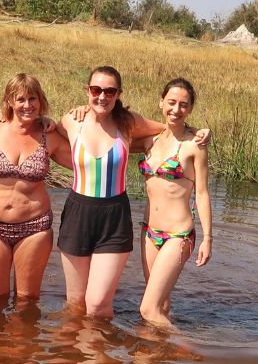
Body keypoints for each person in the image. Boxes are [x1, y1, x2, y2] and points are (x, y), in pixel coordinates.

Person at [55, 66, 209, 319]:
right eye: (96, 90)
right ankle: (77, 354)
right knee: (75, 303)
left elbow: (168, 128)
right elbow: (51, 137)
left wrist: (197, 132)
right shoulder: (72, 120)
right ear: (87, 91)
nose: (102, 96)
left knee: (97, 305)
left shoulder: (128, 122)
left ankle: (102, 354)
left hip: (114, 216)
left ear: (118, 94)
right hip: (77, 213)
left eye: (109, 91)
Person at [0, 73, 72, 300]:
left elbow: (85, 163)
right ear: (9, 101)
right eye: (20, 99)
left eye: (32, 99)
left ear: (40, 101)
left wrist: (70, 122)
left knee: (27, 302)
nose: (27, 105)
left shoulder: (49, 136)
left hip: (35, 228)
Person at [135, 78, 212, 327]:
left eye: (183, 105)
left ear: (190, 109)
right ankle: (155, 362)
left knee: (148, 309)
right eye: (171, 103)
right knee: (162, 305)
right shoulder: (150, 140)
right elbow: (115, 126)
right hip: (149, 233)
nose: (176, 110)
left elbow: (202, 193)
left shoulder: (194, 145)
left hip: (178, 235)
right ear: (161, 102)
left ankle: (190, 352)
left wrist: (207, 238)